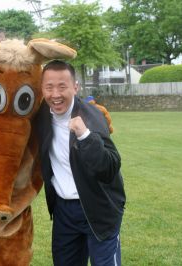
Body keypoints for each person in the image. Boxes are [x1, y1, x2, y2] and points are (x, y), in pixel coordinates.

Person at [34, 60, 126, 266]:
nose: (55, 94)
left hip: (99, 207)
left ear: (75, 87)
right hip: (64, 212)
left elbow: (110, 167)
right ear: (42, 89)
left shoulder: (92, 116)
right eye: (49, 87)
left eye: (62, 86)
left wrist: (85, 136)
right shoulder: (40, 116)